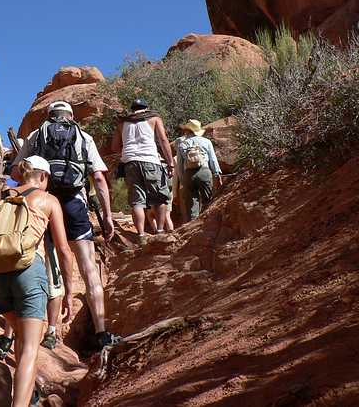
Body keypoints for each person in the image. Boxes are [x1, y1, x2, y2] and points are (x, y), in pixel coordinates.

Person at [0, 156, 75, 407]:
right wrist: (68, 292)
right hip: (27, 271)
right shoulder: (47, 200)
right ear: (43, 177)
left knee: (23, 340)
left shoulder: (2, 198)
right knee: (29, 350)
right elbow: (63, 249)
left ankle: (29, 396)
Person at [12, 101, 119, 349]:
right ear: (70, 116)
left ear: (48, 116)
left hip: (44, 203)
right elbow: (100, 178)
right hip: (74, 203)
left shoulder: (36, 135)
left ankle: (50, 330)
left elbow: (17, 172)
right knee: (88, 268)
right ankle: (102, 332)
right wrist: (108, 215)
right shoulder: (83, 136)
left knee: (49, 266)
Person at [111, 99, 174, 242]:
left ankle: (141, 235)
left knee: (137, 201)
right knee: (160, 197)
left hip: (130, 163)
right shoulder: (154, 118)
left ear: (132, 109)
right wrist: (170, 162)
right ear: (146, 108)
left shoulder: (122, 123)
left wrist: (128, 151)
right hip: (150, 160)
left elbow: (114, 147)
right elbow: (163, 140)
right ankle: (159, 231)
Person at [176, 120, 222, 221]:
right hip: (204, 172)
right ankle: (207, 223)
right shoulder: (206, 141)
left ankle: (192, 223)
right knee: (207, 200)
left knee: (191, 204)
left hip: (189, 174)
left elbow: (179, 165)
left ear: (187, 131)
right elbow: (213, 159)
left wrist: (182, 179)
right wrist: (216, 173)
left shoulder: (182, 144)